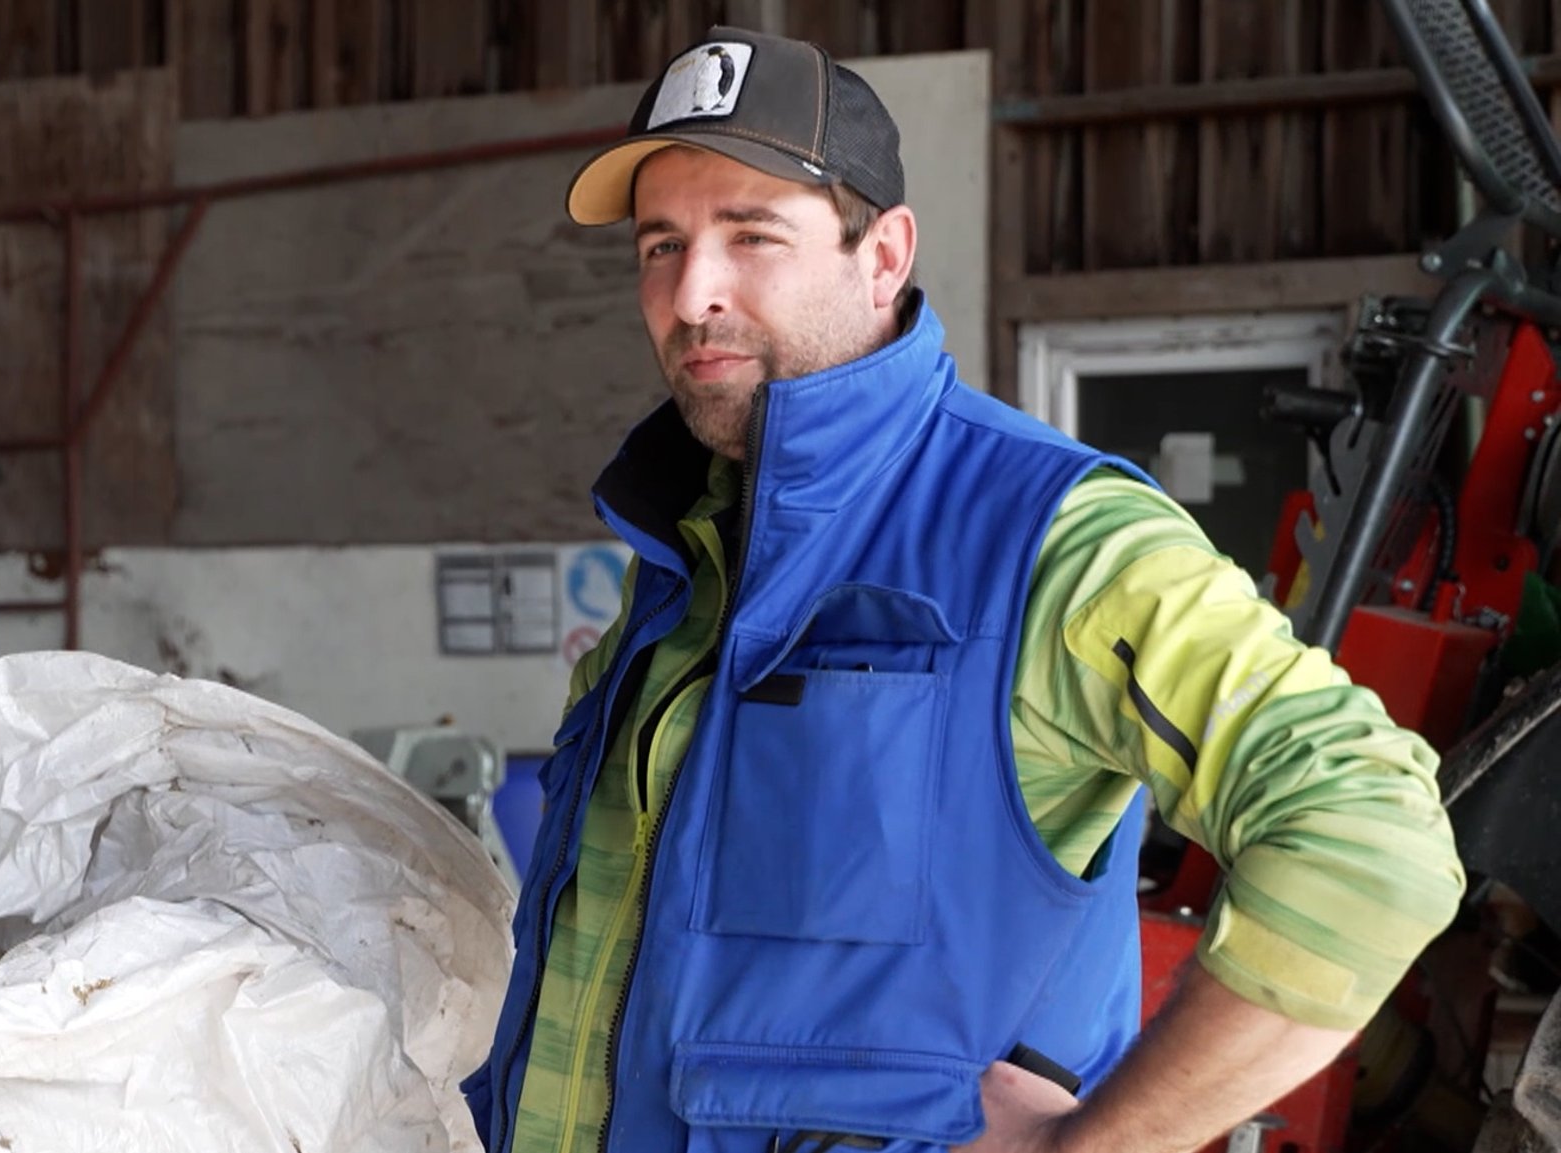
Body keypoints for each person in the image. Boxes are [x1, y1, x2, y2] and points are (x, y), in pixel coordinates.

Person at [459, 24, 1467, 1153]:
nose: (693, 292)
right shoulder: (679, 555)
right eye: (659, 246)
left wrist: (1098, 1143)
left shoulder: (1051, 538)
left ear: (882, 256)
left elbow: (1366, 832)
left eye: (751, 236)